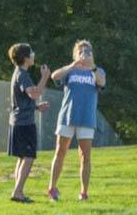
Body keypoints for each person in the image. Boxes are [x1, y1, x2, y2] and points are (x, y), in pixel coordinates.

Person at [47, 39, 106, 202]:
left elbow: (102, 82)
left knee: (85, 156)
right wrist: (73, 65)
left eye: (88, 52)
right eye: (81, 51)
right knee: (60, 152)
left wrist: (92, 67)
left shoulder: (97, 71)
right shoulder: (70, 71)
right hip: (67, 116)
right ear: (75, 54)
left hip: (86, 119)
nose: (85, 54)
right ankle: (52, 189)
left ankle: (84, 192)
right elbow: (54, 76)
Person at [6, 44, 51, 203]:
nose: (33, 54)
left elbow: (25, 99)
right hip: (24, 123)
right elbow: (34, 93)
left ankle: (17, 191)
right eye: (31, 53)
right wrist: (45, 76)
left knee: (22, 157)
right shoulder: (23, 75)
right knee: (29, 157)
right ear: (25, 58)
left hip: (18, 121)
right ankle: (17, 192)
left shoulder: (19, 73)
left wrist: (36, 107)